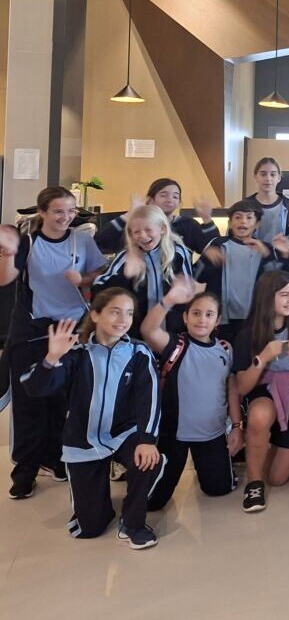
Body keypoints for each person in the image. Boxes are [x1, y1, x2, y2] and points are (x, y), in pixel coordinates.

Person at [21, 290, 162, 549]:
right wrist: (51, 358)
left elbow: (150, 399)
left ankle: (132, 523)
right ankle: (97, 506)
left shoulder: (139, 352)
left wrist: (147, 440)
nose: (123, 319)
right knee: (90, 528)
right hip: (83, 440)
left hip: (123, 434)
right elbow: (34, 388)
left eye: (129, 313)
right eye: (115, 311)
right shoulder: (75, 352)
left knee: (149, 460)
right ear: (95, 315)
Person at [0, 187, 108, 499]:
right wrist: (7, 252)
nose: (66, 217)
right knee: (29, 402)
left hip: (71, 329)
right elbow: (5, 279)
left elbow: (100, 270)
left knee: (62, 400)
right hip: (32, 330)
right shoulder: (28, 242)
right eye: (59, 211)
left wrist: (83, 279)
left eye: (71, 211)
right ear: (42, 213)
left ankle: (55, 458)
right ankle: (25, 470)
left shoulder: (82, 240)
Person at [138, 279, 238, 511]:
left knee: (219, 488)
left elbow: (231, 388)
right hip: (174, 435)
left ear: (217, 320)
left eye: (209, 314)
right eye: (196, 313)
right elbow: (148, 330)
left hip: (212, 434)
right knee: (152, 502)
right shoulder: (176, 344)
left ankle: (208, 466)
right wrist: (170, 299)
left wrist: (237, 426)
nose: (202, 319)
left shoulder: (225, 349)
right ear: (185, 317)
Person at [232, 271, 289, 512]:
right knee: (260, 415)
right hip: (266, 391)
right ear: (267, 296)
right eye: (284, 294)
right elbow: (242, 386)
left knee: (277, 478)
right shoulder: (248, 333)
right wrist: (263, 358)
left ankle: (273, 445)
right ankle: (253, 484)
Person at [93, 204, 195, 336]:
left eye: (148, 230)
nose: (143, 235)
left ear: (162, 229)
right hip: (135, 334)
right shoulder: (125, 258)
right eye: (136, 232)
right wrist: (125, 275)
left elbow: (188, 293)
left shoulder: (179, 253)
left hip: (172, 333)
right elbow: (99, 290)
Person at [194, 200, 274, 342]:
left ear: (257, 224)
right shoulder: (218, 244)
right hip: (222, 317)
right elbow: (197, 275)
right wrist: (206, 259)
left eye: (249, 217)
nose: (243, 221)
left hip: (255, 317)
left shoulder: (265, 249)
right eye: (238, 217)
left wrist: (267, 257)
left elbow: (278, 282)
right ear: (230, 223)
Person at [94, 178, 218, 255]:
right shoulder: (136, 224)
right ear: (150, 200)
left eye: (175, 196)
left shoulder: (188, 224)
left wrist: (207, 218)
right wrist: (129, 215)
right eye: (163, 195)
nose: (170, 199)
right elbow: (101, 243)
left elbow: (213, 249)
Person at [245, 157, 289, 243]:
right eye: (263, 174)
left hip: (281, 251)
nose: (268, 178)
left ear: (279, 178)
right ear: (255, 176)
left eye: (273, 174)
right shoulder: (244, 205)